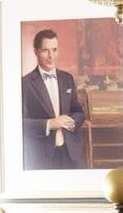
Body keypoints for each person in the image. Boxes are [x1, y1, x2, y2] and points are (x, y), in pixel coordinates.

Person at [21, 29, 87, 169]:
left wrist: (71, 122)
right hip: (41, 157)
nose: (51, 56)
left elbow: (79, 112)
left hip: (71, 154)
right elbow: (19, 123)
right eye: (45, 50)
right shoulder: (25, 83)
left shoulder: (67, 78)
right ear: (36, 52)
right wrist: (51, 124)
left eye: (54, 50)